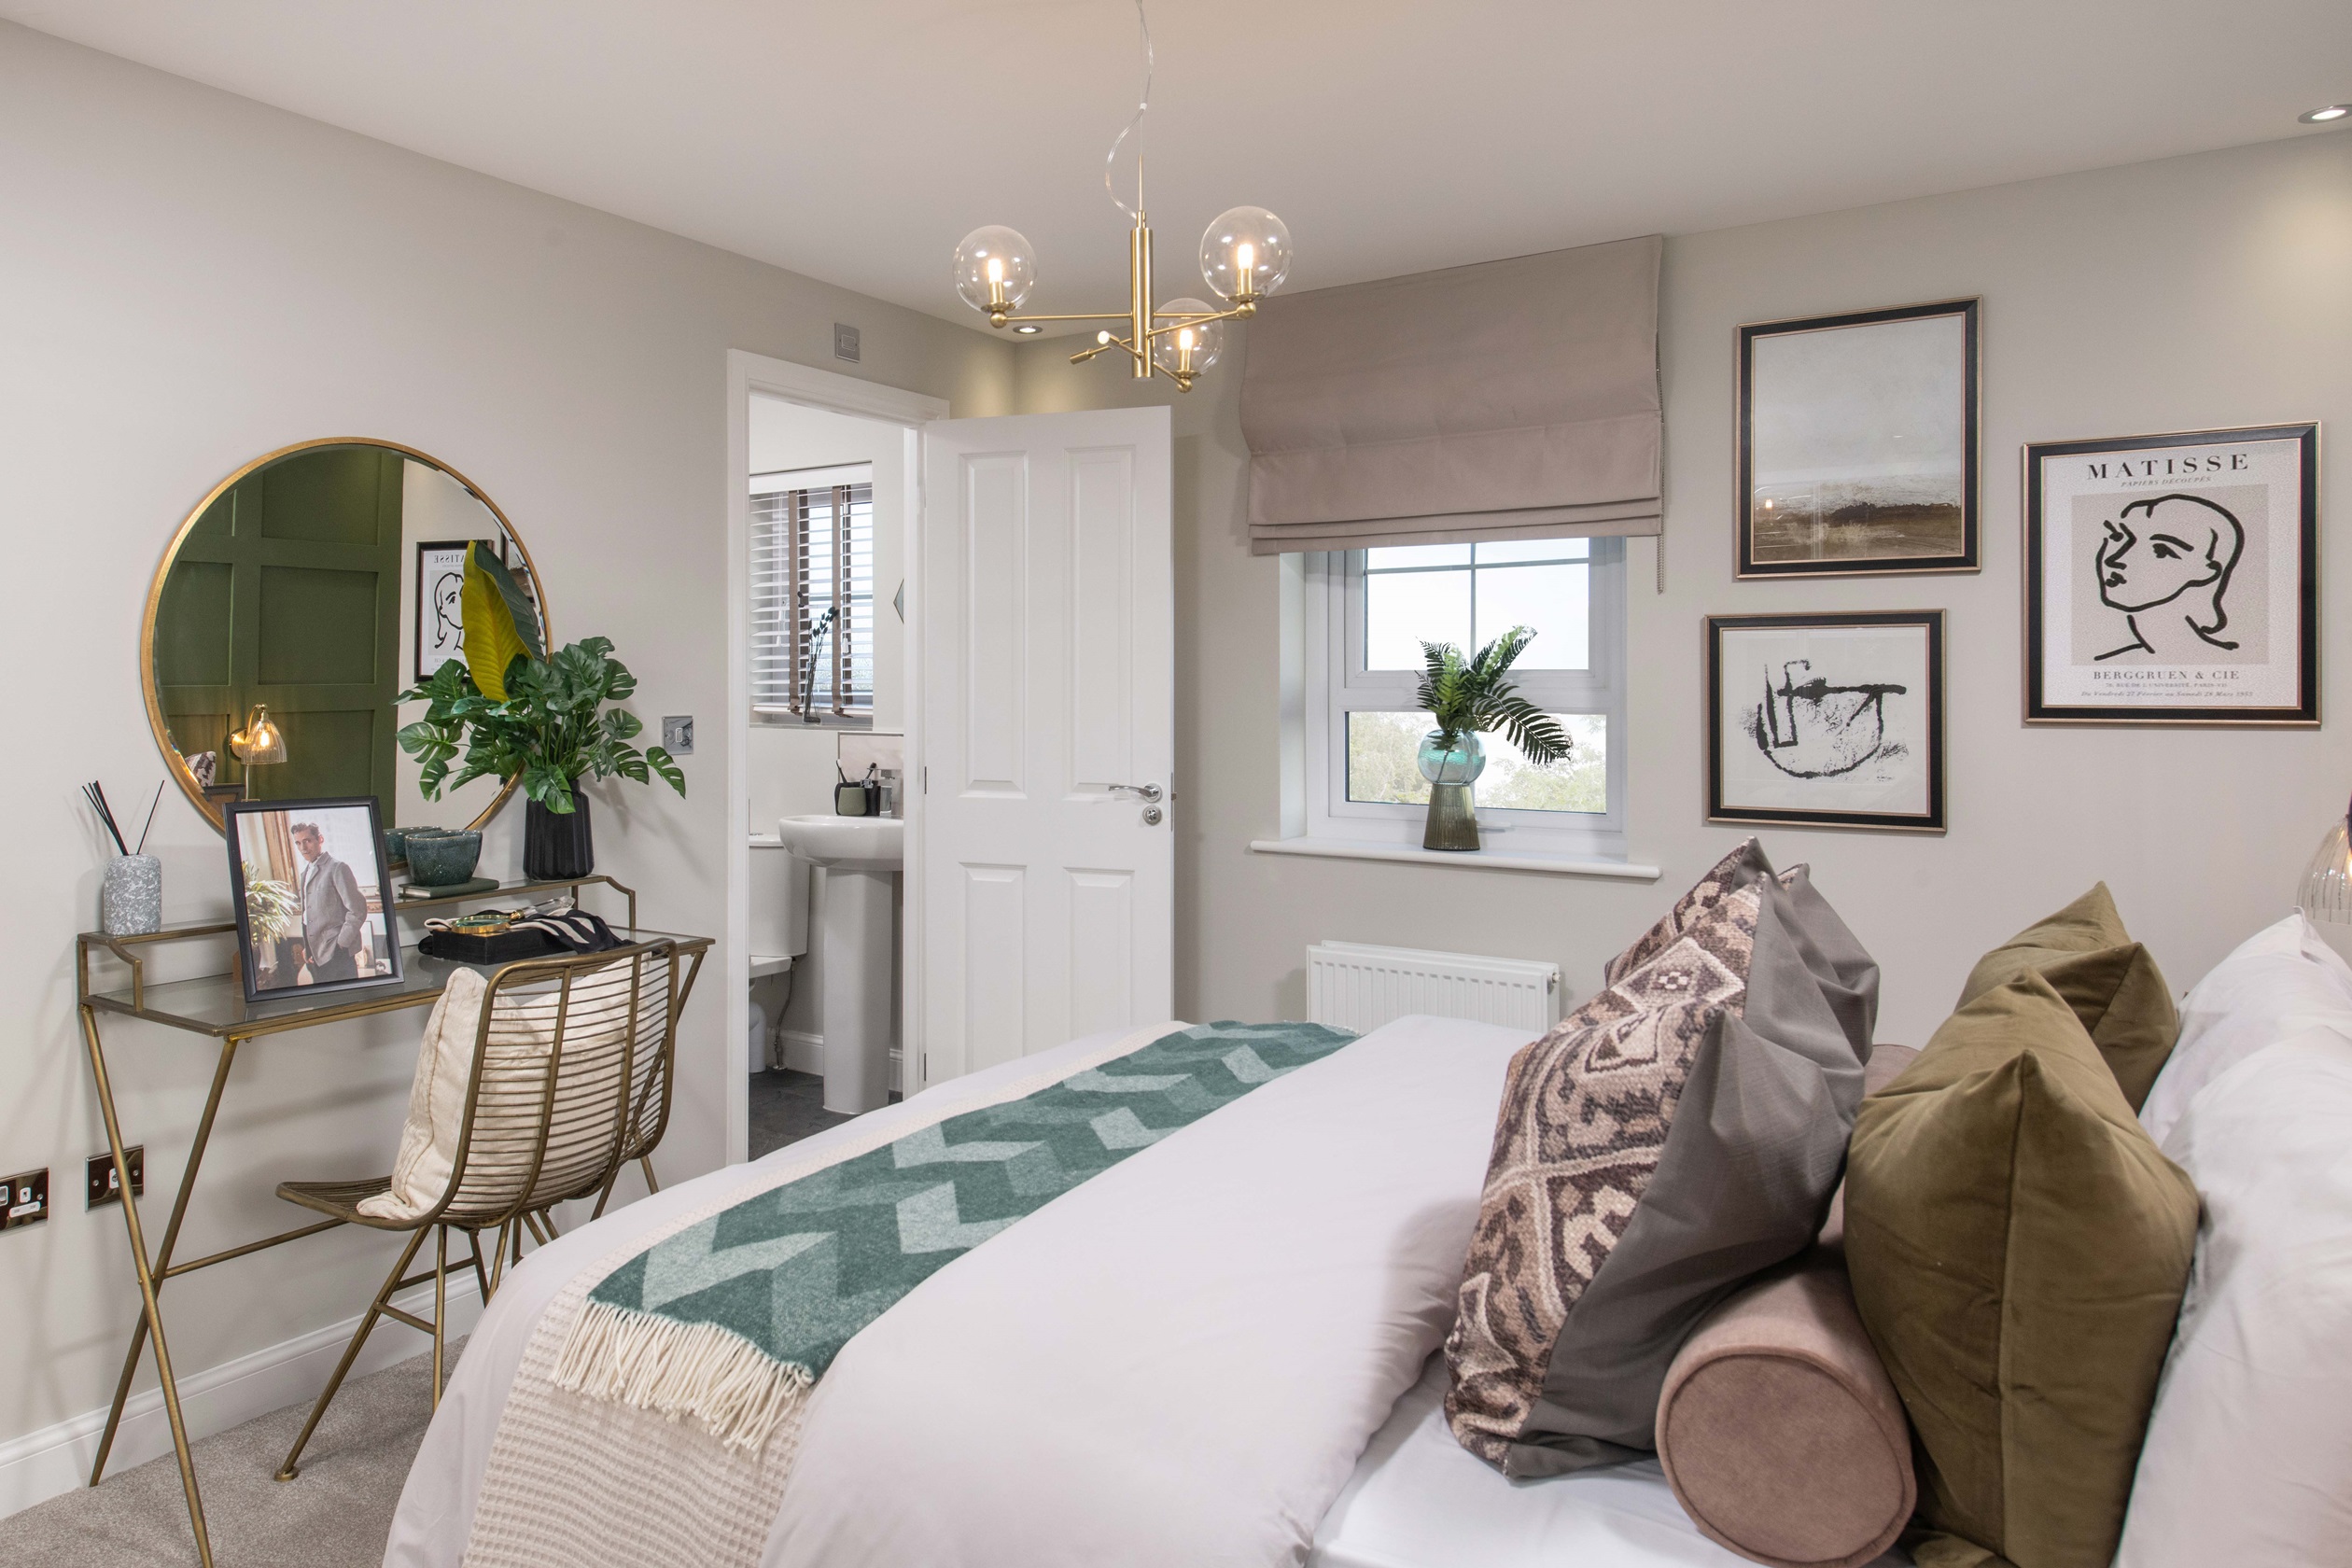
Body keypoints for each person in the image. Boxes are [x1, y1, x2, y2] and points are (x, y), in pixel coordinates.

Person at [2094, 492, 2245, 662]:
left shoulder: (2227, 661)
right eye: (2118, 537)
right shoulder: (2105, 662)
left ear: (2207, 571)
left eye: (2161, 550)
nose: (2116, 559)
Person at [290, 819, 368, 983]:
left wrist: (341, 944)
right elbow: (307, 914)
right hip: (315, 953)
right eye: (298, 843)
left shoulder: (337, 868)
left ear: (320, 839)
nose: (303, 848)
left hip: (337, 953)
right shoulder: (305, 873)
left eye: (307, 841)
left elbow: (358, 910)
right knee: (325, 1003)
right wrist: (308, 947)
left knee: (346, 1003)